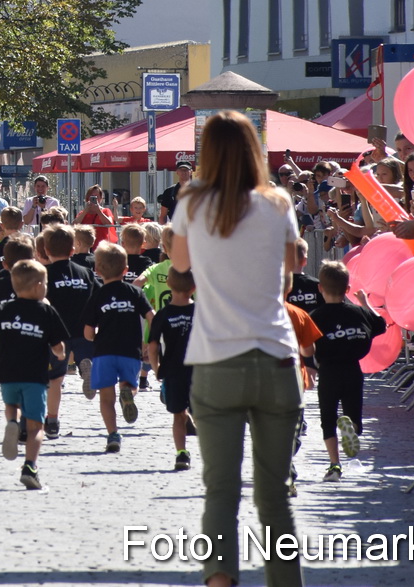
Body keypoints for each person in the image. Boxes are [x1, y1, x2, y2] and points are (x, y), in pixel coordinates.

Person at [167, 109, 304, 587]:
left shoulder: (192, 201)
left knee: (220, 491)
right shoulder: (278, 203)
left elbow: (180, 265)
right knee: (274, 497)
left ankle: (220, 578)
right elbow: (288, 277)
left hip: (216, 354)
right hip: (274, 354)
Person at [0, 259, 68, 490]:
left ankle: (11, 421)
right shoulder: (46, 311)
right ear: (39, 285)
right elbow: (58, 346)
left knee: (12, 403)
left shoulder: (6, 309)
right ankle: (30, 466)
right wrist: (60, 355)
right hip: (35, 376)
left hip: (7, 372)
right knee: (36, 427)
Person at [309, 261, 387, 481]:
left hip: (328, 372)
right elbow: (380, 325)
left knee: (327, 419)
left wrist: (308, 366)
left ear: (320, 288)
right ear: (347, 289)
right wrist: (364, 302)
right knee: (353, 415)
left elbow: (305, 343)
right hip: (353, 370)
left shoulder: (315, 316)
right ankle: (351, 426)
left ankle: (335, 465)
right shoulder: (358, 313)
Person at [81, 241, 152, 453]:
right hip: (131, 350)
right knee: (131, 384)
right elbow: (151, 316)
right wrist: (150, 341)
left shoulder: (97, 295)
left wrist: (97, 338)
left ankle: (113, 434)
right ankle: (127, 392)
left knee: (106, 397)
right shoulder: (134, 293)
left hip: (104, 352)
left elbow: (87, 332)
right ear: (126, 270)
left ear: (98, 270)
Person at [41, 225, 96, 437]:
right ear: (73, 249)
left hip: (57, 334)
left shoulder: (45, 274)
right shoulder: (85, 273)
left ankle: (52, 420)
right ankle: (85, 367)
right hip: (83, 329)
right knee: (84, 354)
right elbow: (95, 298)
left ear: (46, 249)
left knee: (55, 379)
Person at [145, 267, 197, 471]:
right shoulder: (201, 311)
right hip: (199, 370)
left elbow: (153, 346)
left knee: (178, 414)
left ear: (168, 285)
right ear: (194, 287)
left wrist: (156, 368)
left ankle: (181, 453)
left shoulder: (163, 314)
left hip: (173, 370)